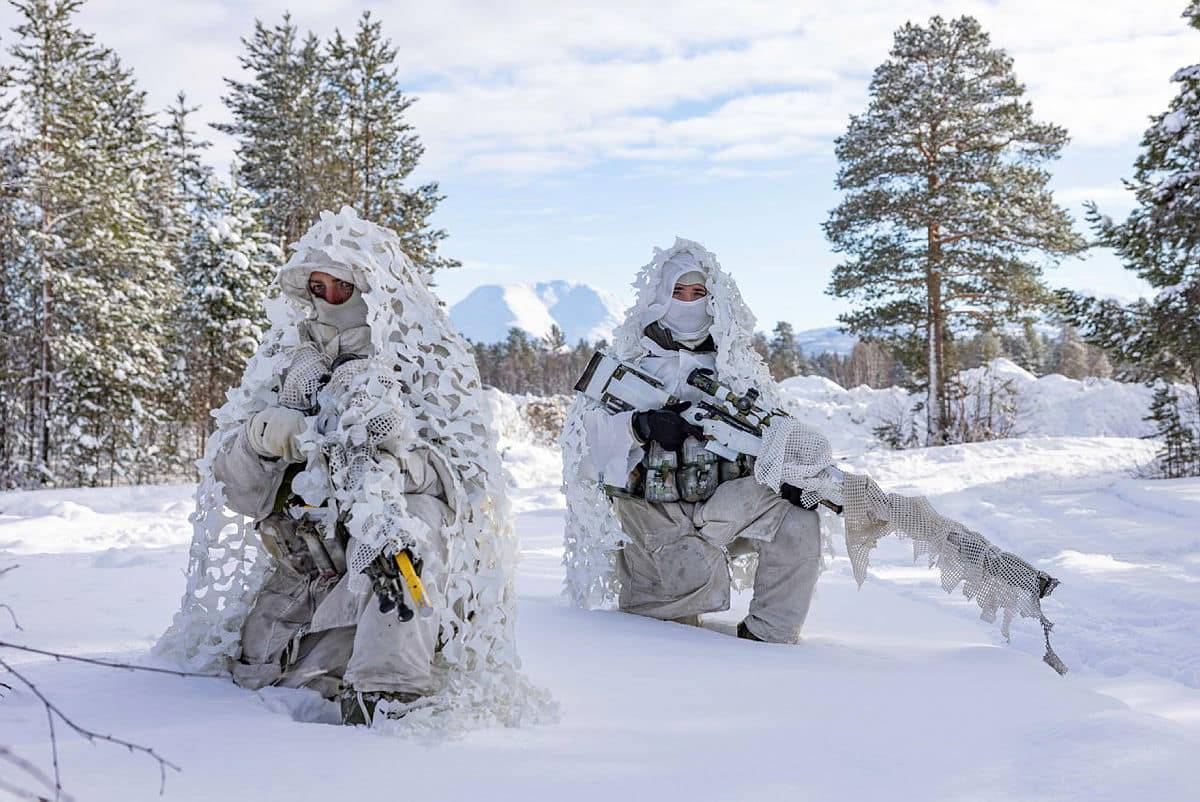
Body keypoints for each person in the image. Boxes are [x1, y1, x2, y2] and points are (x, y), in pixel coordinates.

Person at [158, 207, 549, 729]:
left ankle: (388, 696)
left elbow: (466, 484)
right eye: (316, 288)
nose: (326, 301)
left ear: (373, 290)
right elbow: (240, 494)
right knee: (258, 674)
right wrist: (262, 438)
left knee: (415, 526)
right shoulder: (288, 362)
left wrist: (391, 466)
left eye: (341, 288)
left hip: (403, 583)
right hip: (308, 578)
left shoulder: (423, 365)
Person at [561, 239, 824, 643]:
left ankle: (770, 639)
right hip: (655, 519)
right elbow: (582, 448)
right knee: (667, 642)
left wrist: (788, 476)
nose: (688, 303)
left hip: (720, 507)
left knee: (797, 516)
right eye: (677, 293)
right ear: (660, 296)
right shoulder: (628, 366)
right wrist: (641, 425)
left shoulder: (735, 370)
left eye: (698, 294)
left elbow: (771, 433)